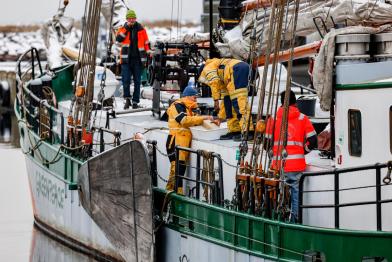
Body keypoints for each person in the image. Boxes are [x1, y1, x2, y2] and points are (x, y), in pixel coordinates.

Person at [265, 90, 317, 222]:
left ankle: (277, 218)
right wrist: (303, 150)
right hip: (296, 165)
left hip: (277, 166)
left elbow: (266, 143)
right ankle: (294, 220)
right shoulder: (302, 118)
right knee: (295, 192)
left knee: (276, 191)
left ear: (282, 103)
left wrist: (274, 152)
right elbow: (313, 141)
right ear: (295, 102)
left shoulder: (273, 119)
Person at [165, 85, 213, 194]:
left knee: (179, 171)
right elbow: (184, 120)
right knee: (177, 171)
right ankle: (174, 196)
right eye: (194, 97)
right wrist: (204, 118)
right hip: (175, 142)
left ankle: (171, 196)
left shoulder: (188, 108)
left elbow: (193, 119)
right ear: (188, 96)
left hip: (182, 143)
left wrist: (210, 119)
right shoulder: (177, 106)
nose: (196, 100)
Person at [198, 58, 254, 140]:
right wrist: (220, 117)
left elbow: (214, 83)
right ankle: (235, 130)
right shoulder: (220, 73)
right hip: (234, 73)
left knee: (239, 102)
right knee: (229, 103)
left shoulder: (207, 68)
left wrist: (215, 100)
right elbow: (225, 101)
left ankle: (248, 131)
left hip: (237, 70)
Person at [116, 9, 150, 109]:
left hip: (138, 60)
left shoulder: (141, 29)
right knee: (125, 80)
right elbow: (118, 39)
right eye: (129, 18)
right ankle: (127, 100)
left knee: (137, 82)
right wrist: (126, 28)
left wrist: (148, 52)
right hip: (126, 60)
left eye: (133, 18)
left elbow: (146, 43)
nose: (131, 20)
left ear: (135, 18)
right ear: (127, 19)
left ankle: (135, 102)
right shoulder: (122, 28)